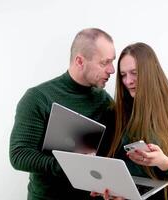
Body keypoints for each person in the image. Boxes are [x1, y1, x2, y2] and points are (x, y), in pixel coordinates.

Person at [9, 28, 116, 200]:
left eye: (113, 62)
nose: (111, 70)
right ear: (80, 61)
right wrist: (71, 165)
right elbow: (19, 155)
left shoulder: (105, 101)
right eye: (104, 63)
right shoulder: (38, 98)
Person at [93, 42, 168, 200]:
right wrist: (108, 188)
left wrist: (163, 162)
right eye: (123, 75)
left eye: (134, 73)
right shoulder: (114, 114)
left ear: (150, 72)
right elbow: (105, 166)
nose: (128, 81)